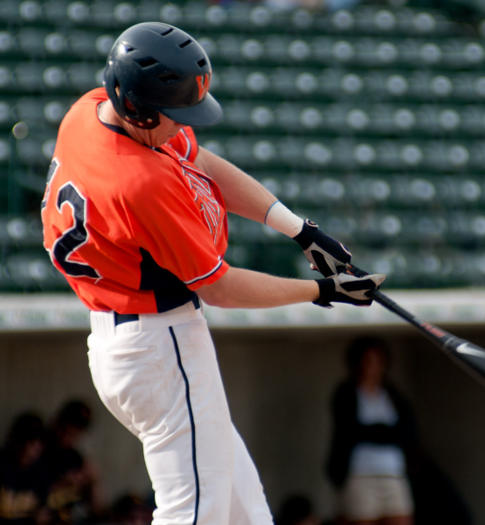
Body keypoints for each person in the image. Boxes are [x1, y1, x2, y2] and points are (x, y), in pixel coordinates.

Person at [40, 22, 384, 525]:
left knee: (245, 510)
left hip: (132, 342)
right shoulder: (141, 182)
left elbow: (199, 159)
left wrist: (300, 231)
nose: (183, 126)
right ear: (136, 104)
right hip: (160, 347)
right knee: (193, 515)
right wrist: (321, 290)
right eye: (174, 115)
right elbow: (218, 286)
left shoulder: (89, 112)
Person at [326, 338, 472, 525]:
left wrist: (375, 431)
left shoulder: (392, 394)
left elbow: (407, 432)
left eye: (377, 362)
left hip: (393, 473)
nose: (372, 368)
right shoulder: (346, 393)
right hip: (360, 473)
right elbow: (351, 430)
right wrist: (384, 432)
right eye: (367, 361)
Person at [43, 400, 104, 523]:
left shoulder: (76, 458)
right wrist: (62, 484)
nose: (70, 435)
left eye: (77, 431)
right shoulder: (37, 452)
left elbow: (99, 511)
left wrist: (93, 481)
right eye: (67, 428)